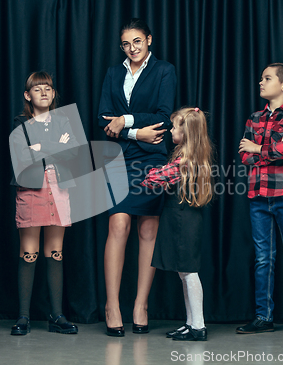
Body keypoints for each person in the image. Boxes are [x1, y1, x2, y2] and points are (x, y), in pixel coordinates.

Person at [97, 18, 177, 336]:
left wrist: (127, 121)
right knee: (118, 223)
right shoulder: (113, 74)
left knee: (148, 230)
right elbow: (102, 117)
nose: (132, 49)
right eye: (126, 44)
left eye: (137, 42)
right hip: (118, 156)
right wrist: (136, 133)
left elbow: (163, 116)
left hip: (152, 156)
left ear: (149, 40)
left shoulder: (164, 71)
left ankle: (140, 304)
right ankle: (112, 304)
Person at [237, 63, 283, 336]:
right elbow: (245, 154)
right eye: (261, 78)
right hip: (258, 196)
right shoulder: (254, 118)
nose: (261, 83)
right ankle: (263, 317)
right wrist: (264, 151)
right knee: (263, 259)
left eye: (267, 78)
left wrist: (259, 149)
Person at [9, 72, 79, 336]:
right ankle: (23, 316)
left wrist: (40, 146)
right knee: (29, 251)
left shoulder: (64, 121)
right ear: (28, 95)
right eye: (37, 89)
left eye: (48, 88)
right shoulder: (20, 122)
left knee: (56, 252)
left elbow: (74, 153)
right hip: (31, 189)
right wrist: (54, 146)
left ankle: (57, 316)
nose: (44, 92)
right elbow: (22, 156)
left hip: (59, 189)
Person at [142, 107, 215, 341]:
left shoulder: (184, 161)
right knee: (184, 273)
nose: (171, 130)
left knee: (189, 273)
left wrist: (156, 173)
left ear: (186, 133)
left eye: (174, 127)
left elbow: (151, 180)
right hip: (181, 217)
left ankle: (198, 326)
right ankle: (191, 322)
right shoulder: (189, 157)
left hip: (184, 219)